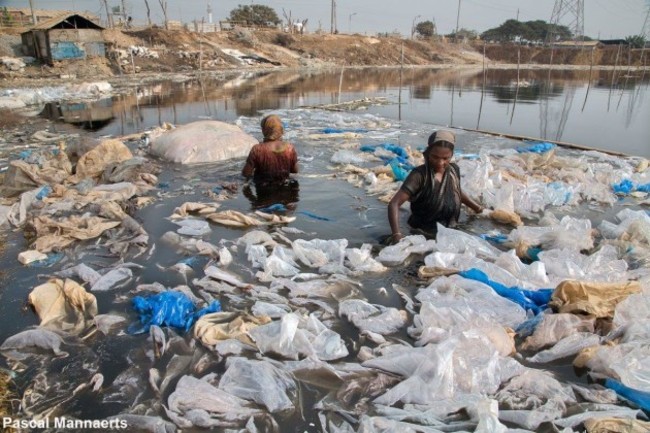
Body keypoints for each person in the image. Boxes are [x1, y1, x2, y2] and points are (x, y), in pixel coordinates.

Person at [387, 130, 484, 243]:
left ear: (451, 155)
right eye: (435, 157)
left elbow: (456, 191)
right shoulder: (419, 176)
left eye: (445, 158)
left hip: (450, 230)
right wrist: (397, 235)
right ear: (428, 153)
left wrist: (477, 207)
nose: (440, 162)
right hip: (422, 234)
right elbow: (394, 203)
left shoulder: (453, 170)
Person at [242, 114, 300, 209]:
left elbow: (246, 173)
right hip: (284, 188)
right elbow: (295, 170)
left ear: (265, 130)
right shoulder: (289, 148)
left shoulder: (257, 149)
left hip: (263, 190)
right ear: (281, 129)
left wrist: (253, 201)